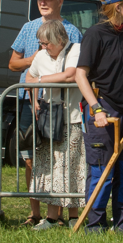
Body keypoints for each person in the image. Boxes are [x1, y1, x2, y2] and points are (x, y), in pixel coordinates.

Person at [9, 0, 82, 227]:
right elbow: (14, 64)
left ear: (60, 1)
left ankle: (60, 214)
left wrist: (40, 74)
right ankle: (35, 212)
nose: (42, 2)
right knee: (32, 158)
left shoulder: (73, 32)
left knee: (65, 159)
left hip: (65, 108)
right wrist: (36, 61)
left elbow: (75, 72)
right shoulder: (28, 28)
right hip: (32, 101)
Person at [75, 0, 123, 234]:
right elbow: (81, 74)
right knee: (102, 169)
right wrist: (96, 109)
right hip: (104, 108)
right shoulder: (95, 34)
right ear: (119, 6)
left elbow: (119, 68)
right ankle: (95, 224)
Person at [24, 20, 85, 230]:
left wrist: (41, 81)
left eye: (46, 43)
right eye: (41, 43)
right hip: (50, 118)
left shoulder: (76, 50)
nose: (43, 47)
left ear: (60, 39)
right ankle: (50, 218)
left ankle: (74, 216)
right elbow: (28, 78)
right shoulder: (40, 56)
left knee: (72, 166)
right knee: (50, 167)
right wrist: (34, 102)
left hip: (73, 119)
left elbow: (70, 75)